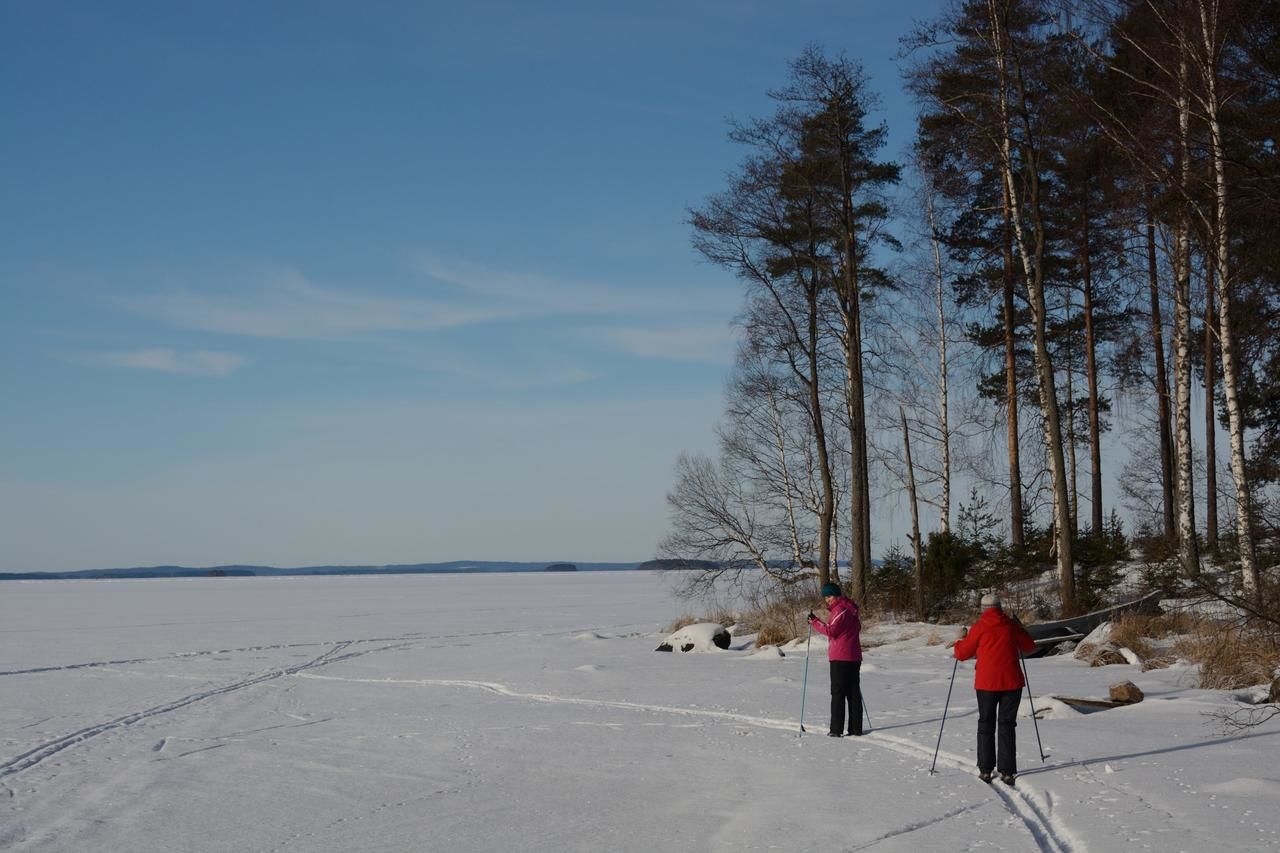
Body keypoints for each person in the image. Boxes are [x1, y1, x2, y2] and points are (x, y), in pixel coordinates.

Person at [953, 592, 1036, 785]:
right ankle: (1007, 771)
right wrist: (1021, 628)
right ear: (1000, 608)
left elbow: (962, 654)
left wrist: (958, 640)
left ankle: (985, 770)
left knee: (986, 723)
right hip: (1012, 682)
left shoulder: (979, 628)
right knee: (1007, 724)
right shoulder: (1011, 626)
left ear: (983, 609)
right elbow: (1029, 646)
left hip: (986, 684)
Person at [807, 582, 863, 738]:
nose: (827, 600)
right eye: (825, 596)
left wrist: (814, 622)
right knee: (853, 692)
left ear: (837, 595)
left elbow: (831, 630)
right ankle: (856, 728)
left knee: (838, 693)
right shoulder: (851, 609)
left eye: (830, 596)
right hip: (853, 656)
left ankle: (836, 729)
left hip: (841, 657)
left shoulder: (840, 609)